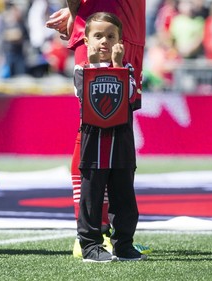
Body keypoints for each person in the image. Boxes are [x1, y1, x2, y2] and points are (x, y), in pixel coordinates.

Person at [46, 0, 150, 257]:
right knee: (91, 127)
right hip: (99, 20)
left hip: (131, 28)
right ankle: (92, 234)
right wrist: (74, 12)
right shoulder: (100, 38)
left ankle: (117, 236)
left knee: (120, 118)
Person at [74, 12, 146, 262]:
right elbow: (84, 95)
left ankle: (124, 244)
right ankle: (90, 245)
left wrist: (117, 65)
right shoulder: (81, 69)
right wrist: (94, 64)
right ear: (86, 41)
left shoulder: (127, 68)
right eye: (98, 36)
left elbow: (129, 98)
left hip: (122, 141)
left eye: (110, 36)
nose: (104, 41)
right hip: (93, 142)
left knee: (124, 196)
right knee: (91, 196)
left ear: (120, 41)